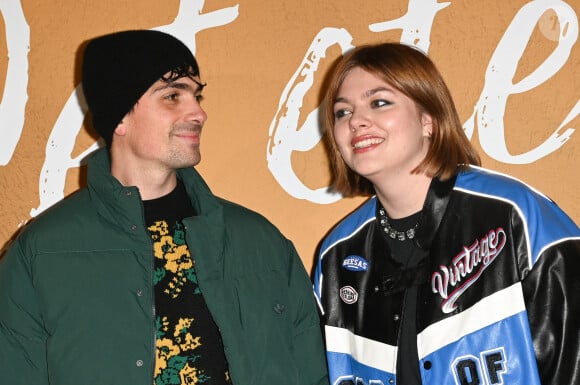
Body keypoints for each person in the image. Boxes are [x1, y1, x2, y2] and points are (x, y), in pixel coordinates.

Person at [0, 30, 329, 385]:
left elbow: (312, 372)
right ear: (119, 118)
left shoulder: (259, 242)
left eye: (197, 95)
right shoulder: (41, 252)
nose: (199, 112)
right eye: (173, 95)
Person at [313, 42, 580, 385]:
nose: (357, 121)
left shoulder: (514, 215)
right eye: (342, 112)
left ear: (428, 120)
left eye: (379, 103)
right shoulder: (337, 254)